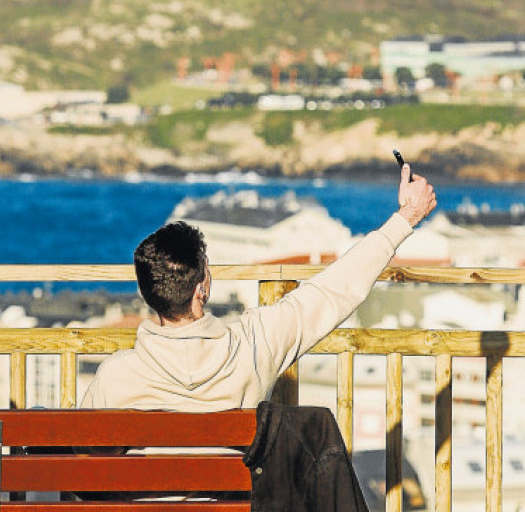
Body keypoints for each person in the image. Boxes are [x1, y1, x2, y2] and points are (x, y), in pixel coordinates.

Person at [81, 164, 436, 411]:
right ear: (201, 288)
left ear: (147, 294)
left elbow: (86, 471)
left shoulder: (116, 377)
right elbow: (334, 290)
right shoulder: (253, 344)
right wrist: (405, 219)